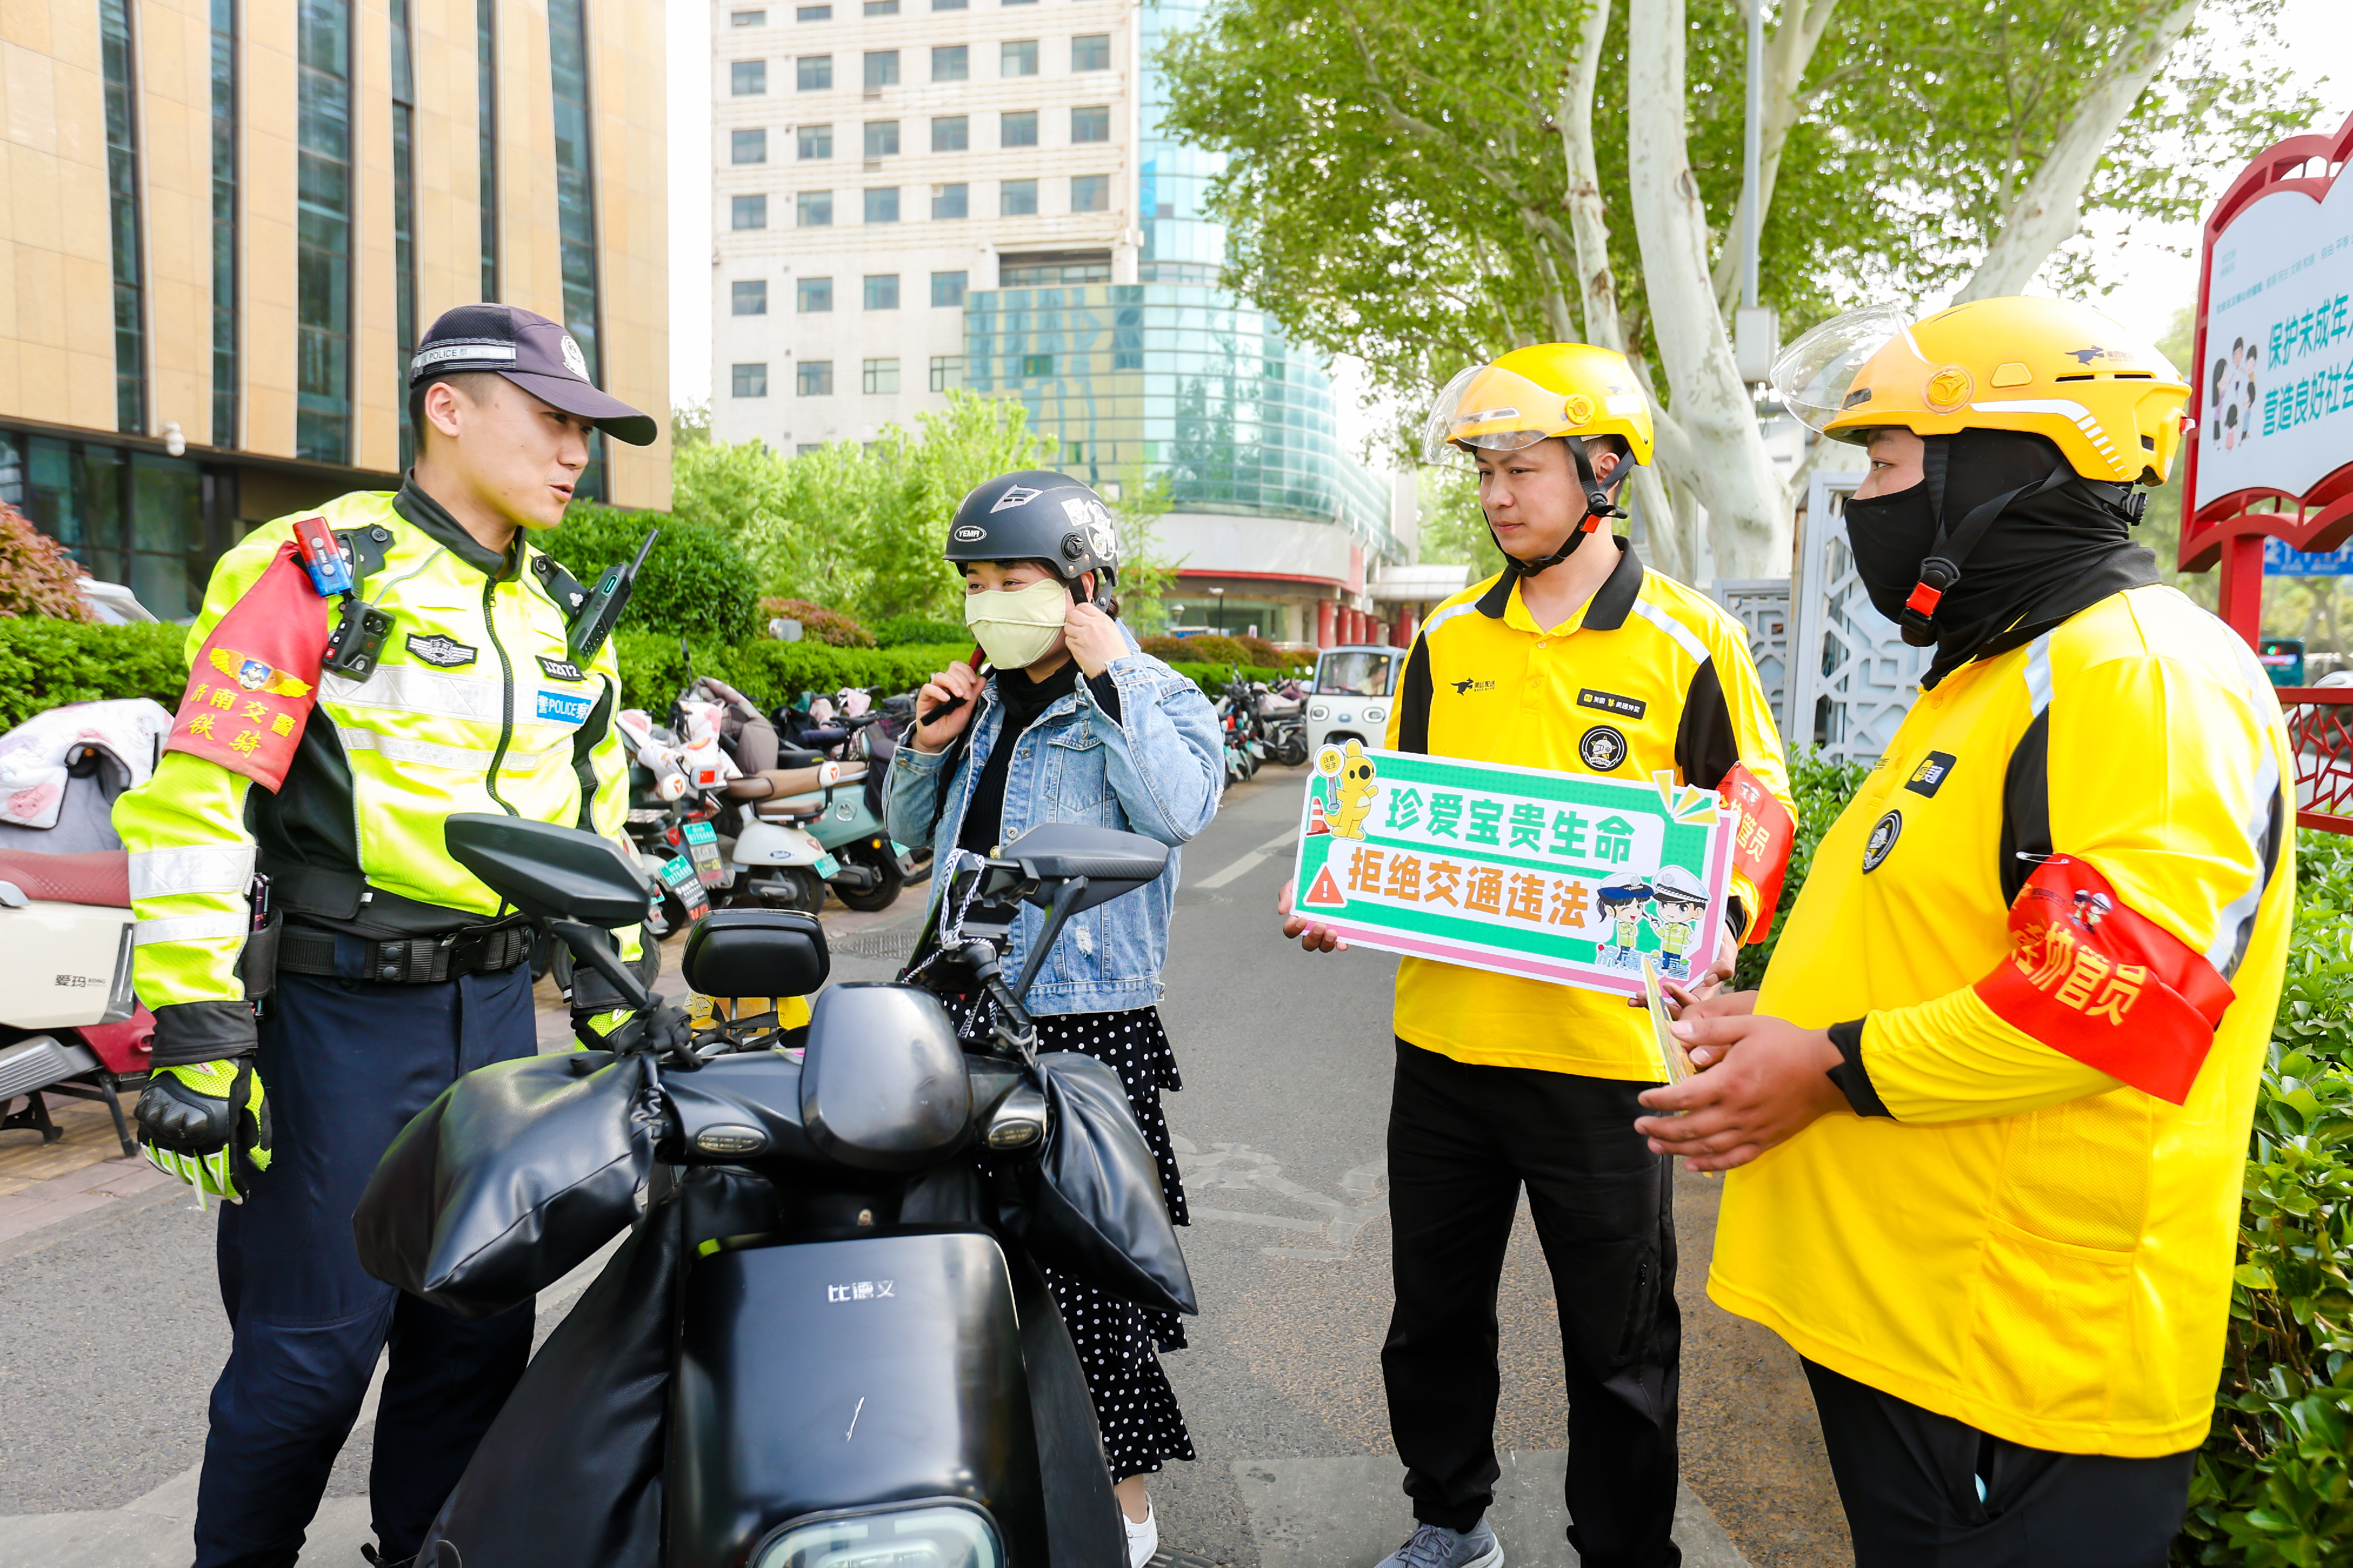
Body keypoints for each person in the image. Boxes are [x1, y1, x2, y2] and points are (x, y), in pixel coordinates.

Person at [1643, 295, 2291, 1567]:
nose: (1860, 500)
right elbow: (1949, 939)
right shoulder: (2001, 672)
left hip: (2016, 1367)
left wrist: (1826, 1065)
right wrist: (1784, 1025)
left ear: (1999, 468)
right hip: (1924, 1337)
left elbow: (2111, 995)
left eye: (1885, 466)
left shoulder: (2138, 677)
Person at [116, 302, 659, 1568]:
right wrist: (196, 1027)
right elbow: (197, 796)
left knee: (473, 1346)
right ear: (447, 407)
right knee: (309, 1363)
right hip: (337, 1021)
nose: (576, 452)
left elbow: (597, 823)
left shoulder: (564, 612)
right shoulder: (313, 565)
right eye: (551, 419)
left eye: (587, 428)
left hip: (494, 1025)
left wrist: (615, 987)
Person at [1282, 343, 1797, 1568]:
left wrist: (1718, 923)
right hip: (1444, 1048)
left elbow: (1756, 803)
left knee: (1618, 1344)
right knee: (1432, 1320)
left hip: (1604, 1061)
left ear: (1602, 471)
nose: (1498, 494)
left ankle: (1622, 1553)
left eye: (1522, 467)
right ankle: (1448, 1518)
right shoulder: (1448, 640)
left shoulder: (1686, 641)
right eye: (1484, 472)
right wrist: (1338, 889)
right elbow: (1389, 805)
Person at [883, 470, 1224, 1568]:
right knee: (950, 1263)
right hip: (952, 1009)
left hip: (1086, 1027)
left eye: (1013, 578)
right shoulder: (979, 701)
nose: (990, 600)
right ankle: (979, 1488)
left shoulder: (1155, 695)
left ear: (1084, 585)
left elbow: (1176, 814)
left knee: (1091, 1281)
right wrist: (930, 742)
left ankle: (1120, 1511)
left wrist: (1113, 676)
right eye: (976, 581)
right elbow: (901, 844)